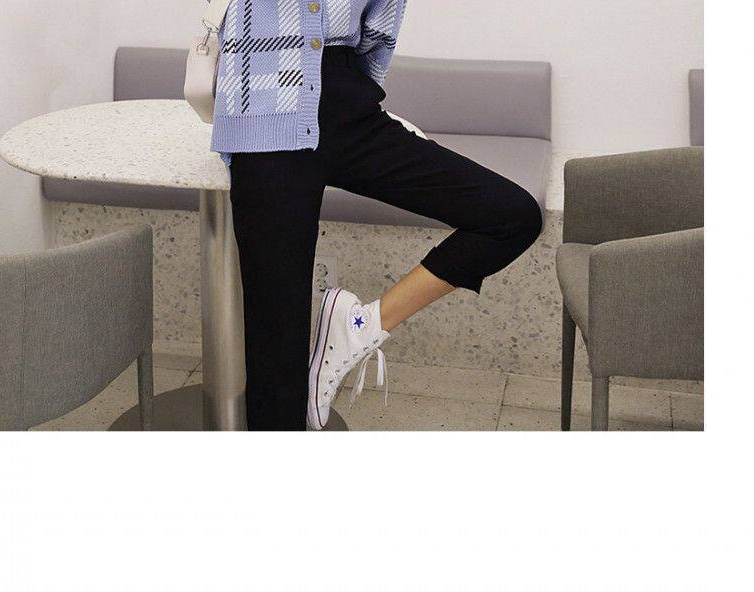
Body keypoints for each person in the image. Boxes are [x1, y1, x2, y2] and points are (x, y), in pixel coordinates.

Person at [211, 4, 544, 431]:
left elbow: (380, 23)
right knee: (276, 359)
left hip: (349, 106)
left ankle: (360, 328)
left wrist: (358, 93)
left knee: (511, 216)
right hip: (265, 111)